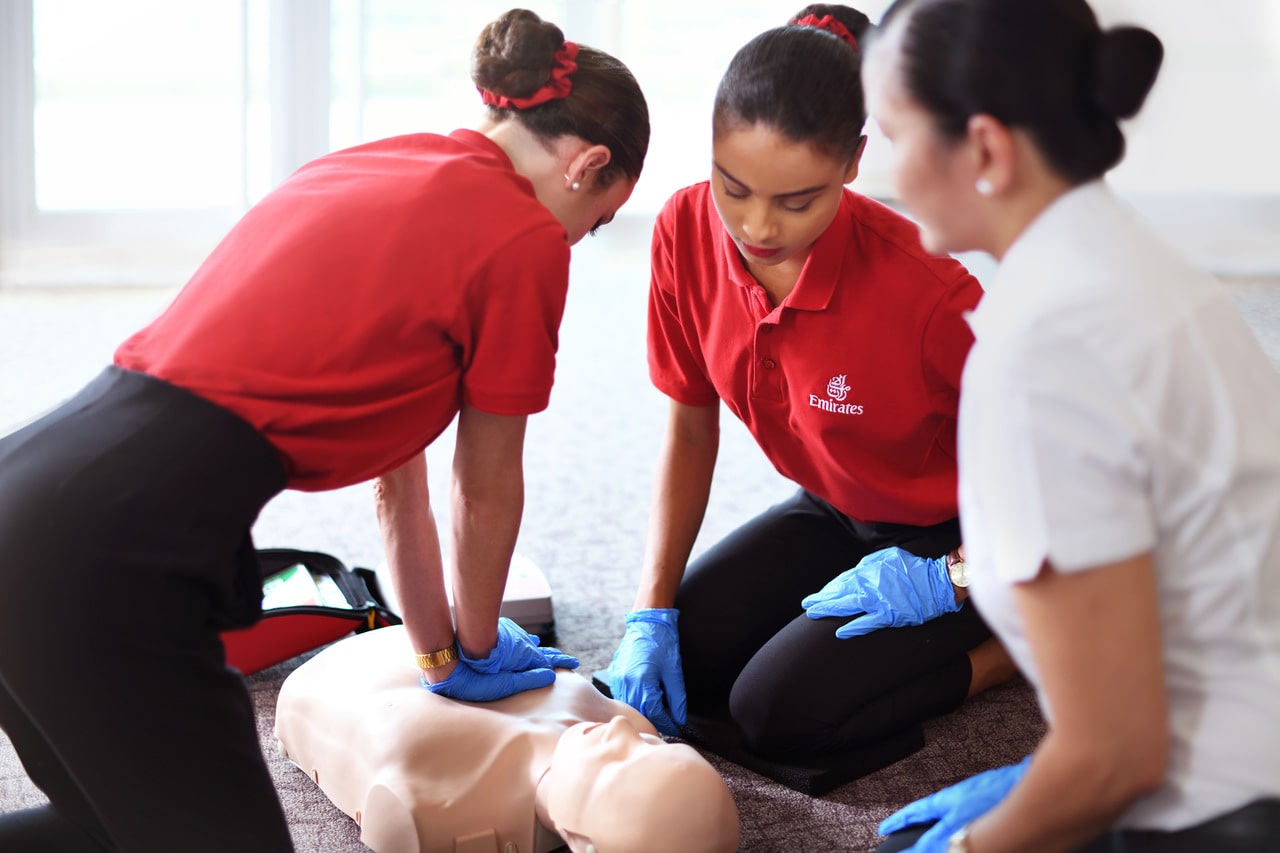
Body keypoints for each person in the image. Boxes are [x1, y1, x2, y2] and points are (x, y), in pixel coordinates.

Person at [0, 9, 649, 852]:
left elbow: (397, 482)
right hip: (115, 554)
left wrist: (443, 654)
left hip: (31, 495)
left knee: (102, 828)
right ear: (587, 166)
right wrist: (483, 644)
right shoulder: (523, 241)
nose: (580, 238)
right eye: (597, 220)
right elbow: (483, 487)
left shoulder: (377, 164)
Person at [861, 0, 1280, 850]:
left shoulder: (1040, 354)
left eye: (894, 138)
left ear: (984, 149)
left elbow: (1114, 759)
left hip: (1219, 813)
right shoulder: (1146, 271)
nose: (886, 177)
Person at [600, 3, 1014, 764]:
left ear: (853, 164)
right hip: (831, 509)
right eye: (735, 186)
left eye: (798, 201)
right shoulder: (684, 229)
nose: (758, 225)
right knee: (690, 661)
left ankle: (1007, 652)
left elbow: (1064, 473)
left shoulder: (932, 293)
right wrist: (648, 609)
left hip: (957, 540)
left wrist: (957, 575)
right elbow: (690, 426)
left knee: (778, 715)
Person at [274, 625, 741, 853]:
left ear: (582, 843)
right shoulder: (613, 723)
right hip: (420, 641)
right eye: (654, 746)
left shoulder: (431, 812)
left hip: (330, 679)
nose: (621, 731)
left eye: (619, 765)